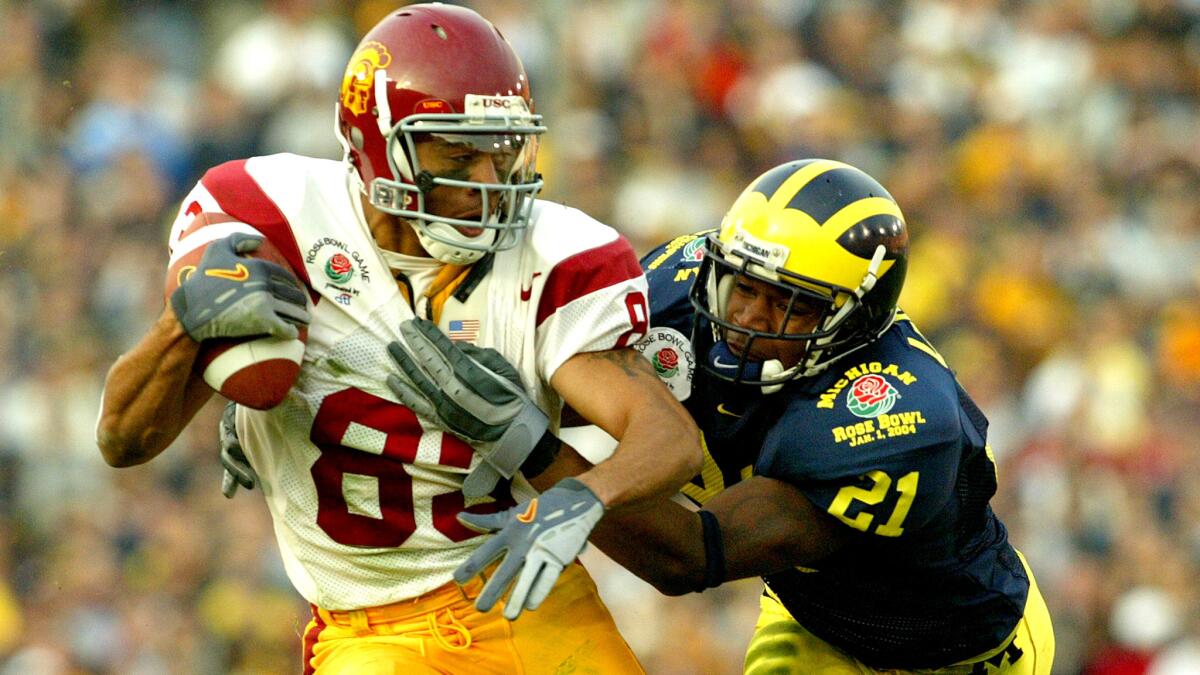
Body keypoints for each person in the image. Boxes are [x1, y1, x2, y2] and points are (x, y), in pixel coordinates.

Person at [96, 4, 701, 674]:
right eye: (457, 152)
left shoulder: (556, 254)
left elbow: (666, 435)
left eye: (500, 151)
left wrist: (585, 494)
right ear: (378, 147)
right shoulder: (274, 216)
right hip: (371, 630)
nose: (486, 183)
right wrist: (188, 324)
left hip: (524, 592)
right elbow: (123, 441)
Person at [381, 159, 1057, 673]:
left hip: (964, 651)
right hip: (817, 619)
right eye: (744, 287)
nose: (746, 320)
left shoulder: (897, 417)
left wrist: (532, 451)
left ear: (858, 316)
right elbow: (539, 359)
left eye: (788, 304)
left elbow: (692, 553)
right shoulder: (685, 283)